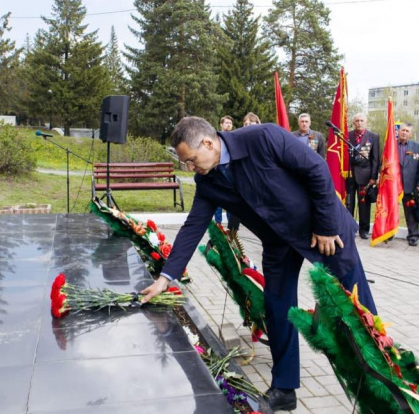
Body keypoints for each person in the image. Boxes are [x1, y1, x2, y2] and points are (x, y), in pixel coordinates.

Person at [141, 117, 377, 414]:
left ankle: (383, 389)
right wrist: (165, 277)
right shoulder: (208, 180)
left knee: (356, 308)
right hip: (278, 241)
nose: (190, 168)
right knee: (278, 308)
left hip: (323, 232)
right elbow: (192, 227)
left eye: (191, 160)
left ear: (209, 143)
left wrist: (327, 226)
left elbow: (316, 169)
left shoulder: (263, 137)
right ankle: (284, 388)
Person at [346, 113, 381, 239]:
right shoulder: (347, 135)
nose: (359, 123)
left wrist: (373, 177)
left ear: (366, 122)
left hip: (365, 175)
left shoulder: (373, 137)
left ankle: (364, 230)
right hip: (349, 174)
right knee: (349, 203)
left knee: (364, 204)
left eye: (361, 120)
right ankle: (349, 228)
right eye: (357, 121)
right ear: (353, 123)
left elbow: (375, 158)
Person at [397, 123, 419, 246]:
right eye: (402, 130)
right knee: (391, 211)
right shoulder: (391, 146)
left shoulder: (418, 147)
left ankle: (413, 236)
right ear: (398, 131)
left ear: (411, 134)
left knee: (411, 212)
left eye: (407, 131)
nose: (404, 133)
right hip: (394, 185)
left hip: (411, 185)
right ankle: (388, 234)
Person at [214, 116, 235, 224]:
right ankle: (218, 224)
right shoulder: (216, 137)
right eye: (226, 123)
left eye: (230, 123)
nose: (228, 125)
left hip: (229, 168)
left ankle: (230, 226)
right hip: (218, 167)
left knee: (229, 197)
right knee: (218, 196)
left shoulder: (234, 137)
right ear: (221, 124)